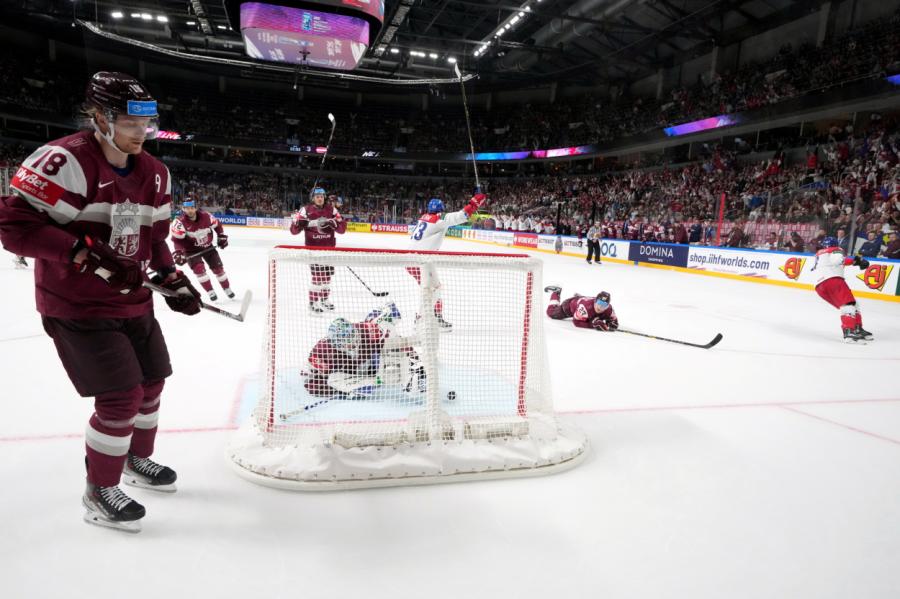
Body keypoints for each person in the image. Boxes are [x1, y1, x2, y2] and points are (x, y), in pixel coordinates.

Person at [0, 71, 201, 533]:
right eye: (130, 124)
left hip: (132, 303)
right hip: (76, 305)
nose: (141, 134)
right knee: (121, 398)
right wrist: (84, 255)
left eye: (146, 125)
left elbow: (153, 238)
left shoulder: (155, 172)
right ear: (99, 117)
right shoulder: (63, 160)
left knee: (151, 385)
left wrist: (172, 277)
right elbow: (13, 227)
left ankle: (135, 459)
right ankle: (99, 490)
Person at [305, 303, 424, 398]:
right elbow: (311, 382)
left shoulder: (367, 331)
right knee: (333, 380)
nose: (351, 343)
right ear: (335, 344)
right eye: (345, 342)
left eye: (351, 337)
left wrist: (414, 360)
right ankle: (364, 385)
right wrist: (340, 391)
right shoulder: (323, 351)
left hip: (372, 368)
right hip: (351, 376)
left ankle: (412, 371)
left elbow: (397, 344)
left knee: (389, 346)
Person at [407, 192, 486, 331]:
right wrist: (474, 203)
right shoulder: (439, 219)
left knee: (435, 287)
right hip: (421, 261)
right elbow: (462, 216)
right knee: (430, 289)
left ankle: (434, 317)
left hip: (414, 259)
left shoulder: (423, 218)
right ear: (441, 209)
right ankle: (421, 319)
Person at [290, 187, 347, 313]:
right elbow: (294, 232)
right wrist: (296, 223)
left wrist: (336, 224)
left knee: (327, 277)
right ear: (313, 197)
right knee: (317, 276)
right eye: (317, 196)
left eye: (321, 196)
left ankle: (324, 300)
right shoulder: (305, 210)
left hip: (329, 249)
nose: (320, 198)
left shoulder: (332, 209)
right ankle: (313, 302)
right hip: (313, 250)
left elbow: (342, 230)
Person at [811, 236, 873, 343]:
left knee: (852, 304)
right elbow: (838, 260)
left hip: (820, 286)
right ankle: (849, 332)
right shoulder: (835, 250)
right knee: (848, 304)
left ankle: (856, 328)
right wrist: (857, 261)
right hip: (833, 280)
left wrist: (854, 262)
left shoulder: (819, 254)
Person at [170, 198, 234, 301]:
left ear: (196, 208)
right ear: (183, 209)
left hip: (208, 247)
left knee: (218, 269)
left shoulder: (206, 216)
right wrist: (178, 252)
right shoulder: (179, 222)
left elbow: (217, 225)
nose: (190, 210)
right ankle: (210, 291)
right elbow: (177, 240)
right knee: (199, 270)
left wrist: (221, 235)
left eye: (192, 208)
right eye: (187, 208)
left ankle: (227, 288)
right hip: (191, 251)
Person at [543, 286, 619, 331]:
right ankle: (556, 292)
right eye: (599, 303)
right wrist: (593, 325)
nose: (600, 307)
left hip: (584, 302)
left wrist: (613, 323)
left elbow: (614, 319)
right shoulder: (584, 308)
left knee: (589, 315)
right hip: (569, 306)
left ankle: (579, 297)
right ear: (595, 301)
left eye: (604, 305)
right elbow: (576, 321)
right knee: (550, 313)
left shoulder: (609, 309)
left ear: (608, 305)